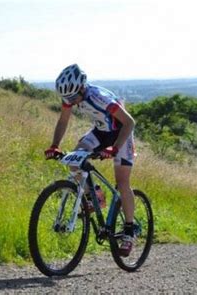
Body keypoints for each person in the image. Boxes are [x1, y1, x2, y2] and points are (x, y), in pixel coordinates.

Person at [44, 64, 136, 257]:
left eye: (72, 97)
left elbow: (129, 122)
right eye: (65, 98)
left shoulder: (100, 98)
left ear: (82, 87)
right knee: (73, 159)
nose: (69, 101)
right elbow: (63, 121)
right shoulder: (71, 97)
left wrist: (115, 148)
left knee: (122, 182)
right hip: (101, 132)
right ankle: (96, 197)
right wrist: (54, 145)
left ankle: (129, 231)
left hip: (121, 135)